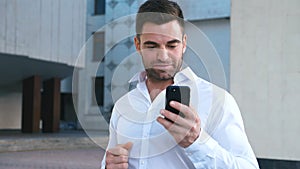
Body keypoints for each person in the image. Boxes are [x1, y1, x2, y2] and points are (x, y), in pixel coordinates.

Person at [101, 0, 260, 168]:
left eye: (172, 45)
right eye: (152, 45)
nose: (163, 56)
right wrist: (109, 165)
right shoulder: (123, 106)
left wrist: (197, 142)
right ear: (137, 45)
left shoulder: (217, 101)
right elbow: (109, 160)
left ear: (184, 43)